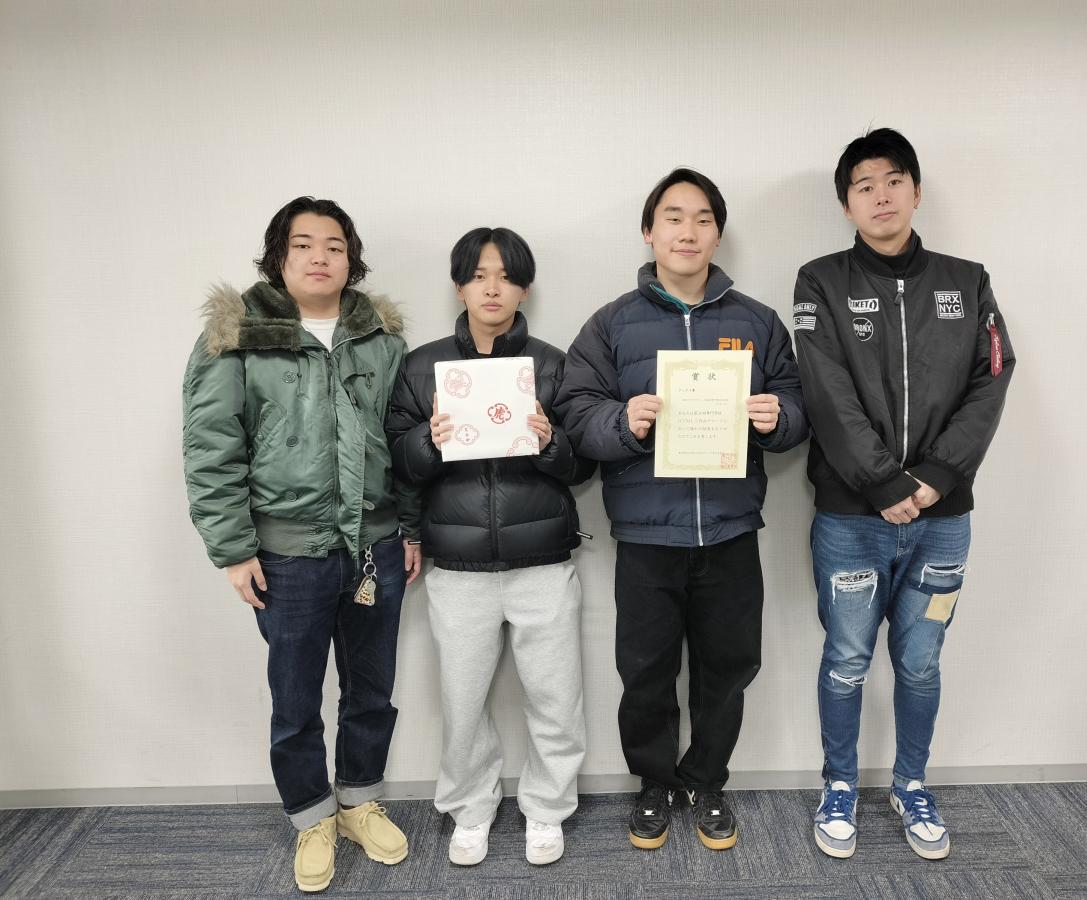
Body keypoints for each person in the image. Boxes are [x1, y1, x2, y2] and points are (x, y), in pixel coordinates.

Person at [556, 169, 808, 851]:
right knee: (645, 670)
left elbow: (797, 401)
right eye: (673, 217)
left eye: (702, 219)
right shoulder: (611, 323)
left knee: (729, 666)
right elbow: (576, 411)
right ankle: (654, 783)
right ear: (649, 231)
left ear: (717, 234)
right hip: (647, 535)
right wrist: (623, 420)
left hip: (730, 529)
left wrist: (778, 417)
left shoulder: (756, 321)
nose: (687, 231)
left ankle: (706, 781)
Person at [183, 196, 422, 893]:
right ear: (278, 257)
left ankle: (360, 802)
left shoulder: (381, 338)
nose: (321, 257)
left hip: (376, 545)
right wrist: (233, 548)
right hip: (287, 553)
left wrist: (408, 527)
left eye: (335, 246)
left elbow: (405, 441)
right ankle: (312, 817)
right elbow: (211, 447)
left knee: (372, 688)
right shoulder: (237, 337)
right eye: (304, 245)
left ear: (352, 259)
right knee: (295, 698)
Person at [792, 128, 1015, 860]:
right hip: (851, 517)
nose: (880, 196)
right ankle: (839, 785)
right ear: (846, 204)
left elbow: (991, 378)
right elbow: (825, 390)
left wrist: (937, 478)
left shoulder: (967, 281)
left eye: (893, 181)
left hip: (942, 520)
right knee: (847, 658)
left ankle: (912, 783)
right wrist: (883, 480)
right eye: (864, 186)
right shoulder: (820, 282)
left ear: (916, 191)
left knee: (921, 662)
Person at [386, 227, 594, 867]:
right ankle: (470, 809)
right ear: (460, 286)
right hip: (458, 566)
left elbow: (584, 464)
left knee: (556, 697)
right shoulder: (421, 367)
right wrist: (428, 439)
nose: (492, 288)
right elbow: (397, 461)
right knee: (462, 700)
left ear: (524, 287)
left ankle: (548, 808)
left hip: (543, 561)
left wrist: (551, 443)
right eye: (479, 276)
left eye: (505, 276)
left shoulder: (554, 365)